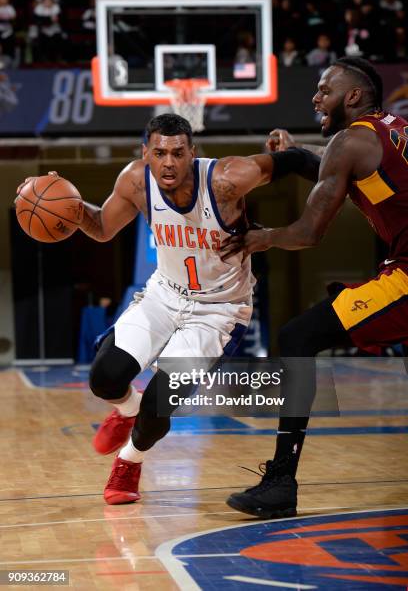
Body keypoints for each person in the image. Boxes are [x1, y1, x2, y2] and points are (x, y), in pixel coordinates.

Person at [37, 114, 274, 505]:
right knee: (105, 377)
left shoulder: (224, 180)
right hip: (164, 296)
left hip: (218, 310)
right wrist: (69, 205)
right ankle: (126, 411)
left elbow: (283, 165)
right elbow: (101, 229)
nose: (168, 162)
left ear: (191, 154)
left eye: (177, 153)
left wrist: (304, 154)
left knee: (160, 401)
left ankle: (129, 461)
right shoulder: (135, 180)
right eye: (159, 152)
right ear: (146, 153)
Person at [222, 56, 408, 518]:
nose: (315, 97)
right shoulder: (388, 130)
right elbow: (331, 163)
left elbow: (308, 232)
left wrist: (259, 238)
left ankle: (281, 482)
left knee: (298, 336)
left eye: (325, 90)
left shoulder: (351, 141)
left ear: (353, 96)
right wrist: (294, 151)